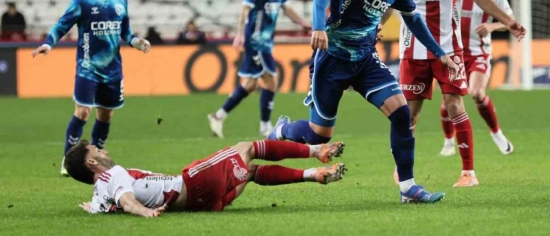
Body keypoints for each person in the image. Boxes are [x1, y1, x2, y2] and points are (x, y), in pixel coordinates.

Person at [267, 0, 456, 204]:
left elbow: (413, 19)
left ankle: (408, 188)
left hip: (366, 59)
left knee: (401, 113)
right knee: (319, 136)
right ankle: (282, 129)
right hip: (333, 58)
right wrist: (318, 27)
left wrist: (440, 52)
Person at [382, 0, 525, 187]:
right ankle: (403, 168)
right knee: (409, 114)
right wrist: (378, 24)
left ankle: (469, 173)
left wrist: (508, 21)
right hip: (414, 51)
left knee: (455, 105)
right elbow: (389, 2)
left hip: (450, 51)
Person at [31, 0, 151, 177]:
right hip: (87, 69)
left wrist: (136, 42)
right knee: (83, 112)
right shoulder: (83, 2)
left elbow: (125, 31)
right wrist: (48, 43)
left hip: (113, 71)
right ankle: (68, 160)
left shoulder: (121, 1)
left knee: (105, 116)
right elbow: (62, 25)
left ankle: (97, 160)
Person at [64, 138, 346, 216]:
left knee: (249, 172)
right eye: (97, 150)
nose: (104, 150)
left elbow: (106, 205)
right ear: (92, 162)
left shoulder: (99, 195)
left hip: (203, 204)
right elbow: (127, 201)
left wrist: (92, 208)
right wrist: (143, 212)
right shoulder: (113, 175)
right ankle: (316, 151)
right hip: (193, 182)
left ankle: (314, 174)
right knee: (246, 148)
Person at [208, 0, 311, 138]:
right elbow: (245, 9)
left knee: (250, 84)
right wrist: (240, 34)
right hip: (255, 41)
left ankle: (218, 116)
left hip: (266, 43)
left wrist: (304, 23)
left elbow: (287, 9)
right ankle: (265, 127)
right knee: (271, 81)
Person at [436, 0, 514, 158]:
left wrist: (492, 26)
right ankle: (448, 142)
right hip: (453, 52)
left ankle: (496, 133)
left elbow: (510, 21)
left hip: (479, 51)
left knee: (477, 93)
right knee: (448, 101)